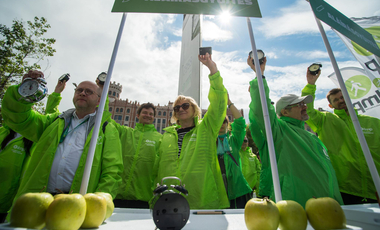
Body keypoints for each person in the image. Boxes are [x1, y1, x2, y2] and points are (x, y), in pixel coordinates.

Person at [1, 70, 123, 214]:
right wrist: (25, 89)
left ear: (99, 100)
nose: (82, 93)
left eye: (89, 91)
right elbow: (19, 118)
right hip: (36, 204)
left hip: (79, 207)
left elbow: (112, 171)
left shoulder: (106, 129)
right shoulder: (53, 121)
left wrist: (98, 204)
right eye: (79, 90)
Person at [247, 55, 343, 207]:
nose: (305, 107)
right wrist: (259, 74)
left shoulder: (310, 135)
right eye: (299, 104)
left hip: (328, 206)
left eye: (304, 103)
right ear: (284, 112)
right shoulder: (280, 130)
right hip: (298, 206)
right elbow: (261, 109)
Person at [155, 53, 229, 209]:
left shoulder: (206, 128)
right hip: (168, 201)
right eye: (177, 107)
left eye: (185, 106)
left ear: (194, 109)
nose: (181, 109)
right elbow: (157, 166)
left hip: (201, 200)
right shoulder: (167, 136)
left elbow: (218, 103)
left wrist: (212, 69)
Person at [301, 68, 380, 204]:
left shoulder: (373, 122)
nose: (341, 101)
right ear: (330, 105)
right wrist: (310, 84)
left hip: (376, 187)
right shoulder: (325, 120)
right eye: (336, 100)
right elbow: (307, 108)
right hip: (345, 189)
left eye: (343, 97)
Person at [0, 78, 66, 223]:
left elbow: (52, 116)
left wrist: (56, 94)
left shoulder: (37, 137)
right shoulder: (3, 134)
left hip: (17, 200)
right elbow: (13, 112)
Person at [112, 102, 162, 208]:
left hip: (144, 198)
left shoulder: (159, 138)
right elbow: (105, 119)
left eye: (151, 114)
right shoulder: (125, 132)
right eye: (144, 112)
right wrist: (102, 92)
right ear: (138, 115)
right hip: (117, 196)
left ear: (154, 117)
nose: (148, 115)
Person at [216, 96, 252, 208]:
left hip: (238, 190)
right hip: (217, 190)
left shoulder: (234, 140)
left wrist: (229, 103)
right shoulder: (209, 141)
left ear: (228, 124)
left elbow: (240, 123)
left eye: (224, 121)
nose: (221, 124)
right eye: (218, 122)